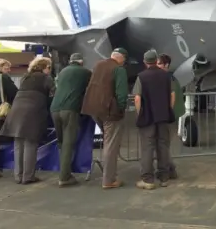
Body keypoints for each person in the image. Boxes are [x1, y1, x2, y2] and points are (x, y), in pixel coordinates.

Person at [0, 56, 55, 185]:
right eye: (48, 67)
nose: (49, 70)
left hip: (17, 110)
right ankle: (28, 176)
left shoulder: (25, 77)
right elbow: (54, 94)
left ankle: (18, 176)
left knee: (18, 144)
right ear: (44, 67)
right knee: (30, 144)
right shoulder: (46, 78)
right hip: (33, 112)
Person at [81, 47, 129, 189]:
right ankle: (109, 180)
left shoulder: (98, 65)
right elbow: (121, 93)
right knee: (111, 145)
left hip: (93, 109)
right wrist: (121, 109)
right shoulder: (119, 69)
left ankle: (109, 175)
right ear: (121, 58)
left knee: (108, 142)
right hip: (109, 111)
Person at [132, 49, 175, 190]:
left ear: (145, 62)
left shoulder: (141, 77)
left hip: (148, 117)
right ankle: (164, 178)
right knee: (163, 146)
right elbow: (172, 95)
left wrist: (140, 114)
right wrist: (169, 109)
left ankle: (148, 179)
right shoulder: (166, 76)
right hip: (163, 116)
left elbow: (137, 98)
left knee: (147, 148)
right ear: (156, 60)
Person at [50, 53, 92, 187]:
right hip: (70, 109)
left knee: (61, 142)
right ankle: (64, 176)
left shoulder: (62, 72)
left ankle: (64, 170)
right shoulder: (85, 72)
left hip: (55, 108)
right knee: (69, 143)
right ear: (81, 61)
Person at [157, 53, 185, 180]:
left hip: (169, 116)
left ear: (166, 65)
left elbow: (172, 98)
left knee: (163, 145)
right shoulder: (171, 78)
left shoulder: (168, 78)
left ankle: (169, 170)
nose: (156, 66)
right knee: (164, 144)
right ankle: (170, 170)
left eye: (158, 63)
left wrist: (167, 112)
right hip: (172, 115)